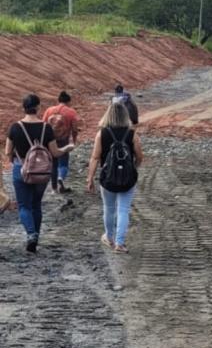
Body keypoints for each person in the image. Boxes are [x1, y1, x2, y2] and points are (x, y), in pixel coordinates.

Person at [5, 94, 75, 253]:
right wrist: (67, 148)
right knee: (36, 204)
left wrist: (17, 161)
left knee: (24, 206)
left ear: (23, 108)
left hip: (21, 169)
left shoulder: (15, 128)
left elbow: (7, 152)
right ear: (37, 108)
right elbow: (55, 153)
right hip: (42, 172)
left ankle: (31, 234)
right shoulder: (46, 128)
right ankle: (35, 237)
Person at [86, 102, 144, 253]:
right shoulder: (132, 134)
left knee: (109, 208)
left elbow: (95, 157)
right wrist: (134, 168)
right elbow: (139, 156)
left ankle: (109, 237)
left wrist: (90, 178)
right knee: (124, 209)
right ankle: (120, 243)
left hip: (108, 179)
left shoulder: (102, 133)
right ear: (126, 116)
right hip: (127, 179)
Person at [42, 91, 82, 193]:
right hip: (63, 140)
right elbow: (74, 129)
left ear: (58, 100)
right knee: (63, 163)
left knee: (53, 164)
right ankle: (61, 177)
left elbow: (43, 125)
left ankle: (54, 188)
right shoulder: (71, 112)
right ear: (68, 102)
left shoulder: (49, 110)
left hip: (49, 140)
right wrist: (74, 140)